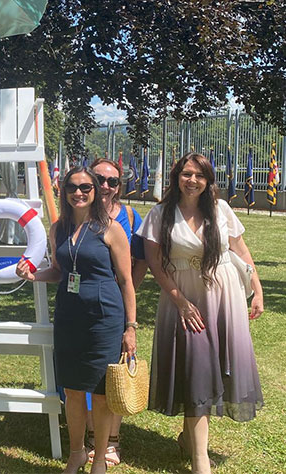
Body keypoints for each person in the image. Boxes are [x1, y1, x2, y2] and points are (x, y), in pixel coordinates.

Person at [137, 153, 263, 474]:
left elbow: (241, 250)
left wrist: (257, 290)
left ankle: (189, 439)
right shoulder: (160, 214)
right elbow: (154, 262)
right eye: (186, 174)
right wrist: (180, 301)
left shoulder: (220, 210)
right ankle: (200, 459)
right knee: (194, 367)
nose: (191, 180)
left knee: (211, 368)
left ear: (208, 181)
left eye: (199, 175)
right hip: (184, 299)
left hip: (224, 298)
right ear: (176, 177)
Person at [15, 166, 137, 474]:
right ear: (63, 191)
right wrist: (33, 276)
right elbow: (59, 272)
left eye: (85, 187)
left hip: (104, 319)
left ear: (95, 191)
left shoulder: (110, 229)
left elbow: (126, 281)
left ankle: (99, 459)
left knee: (101, 392)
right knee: (71, 390)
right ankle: (76, 453)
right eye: (72, 187)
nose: (78, 193)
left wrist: (130, 327)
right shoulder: (59, 229)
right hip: (69, 317)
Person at [83, 158, 148, 466]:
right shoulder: (78, 213)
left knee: (115, 373)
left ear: (120, 186)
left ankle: (111, 441)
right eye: (99, 179)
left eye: (112, 181)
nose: (105, 186)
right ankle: (92, 436)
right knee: (88, 374)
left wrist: (124, 300)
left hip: (117, 306)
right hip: (83, 307)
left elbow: (138, 265)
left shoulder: (131, 216)